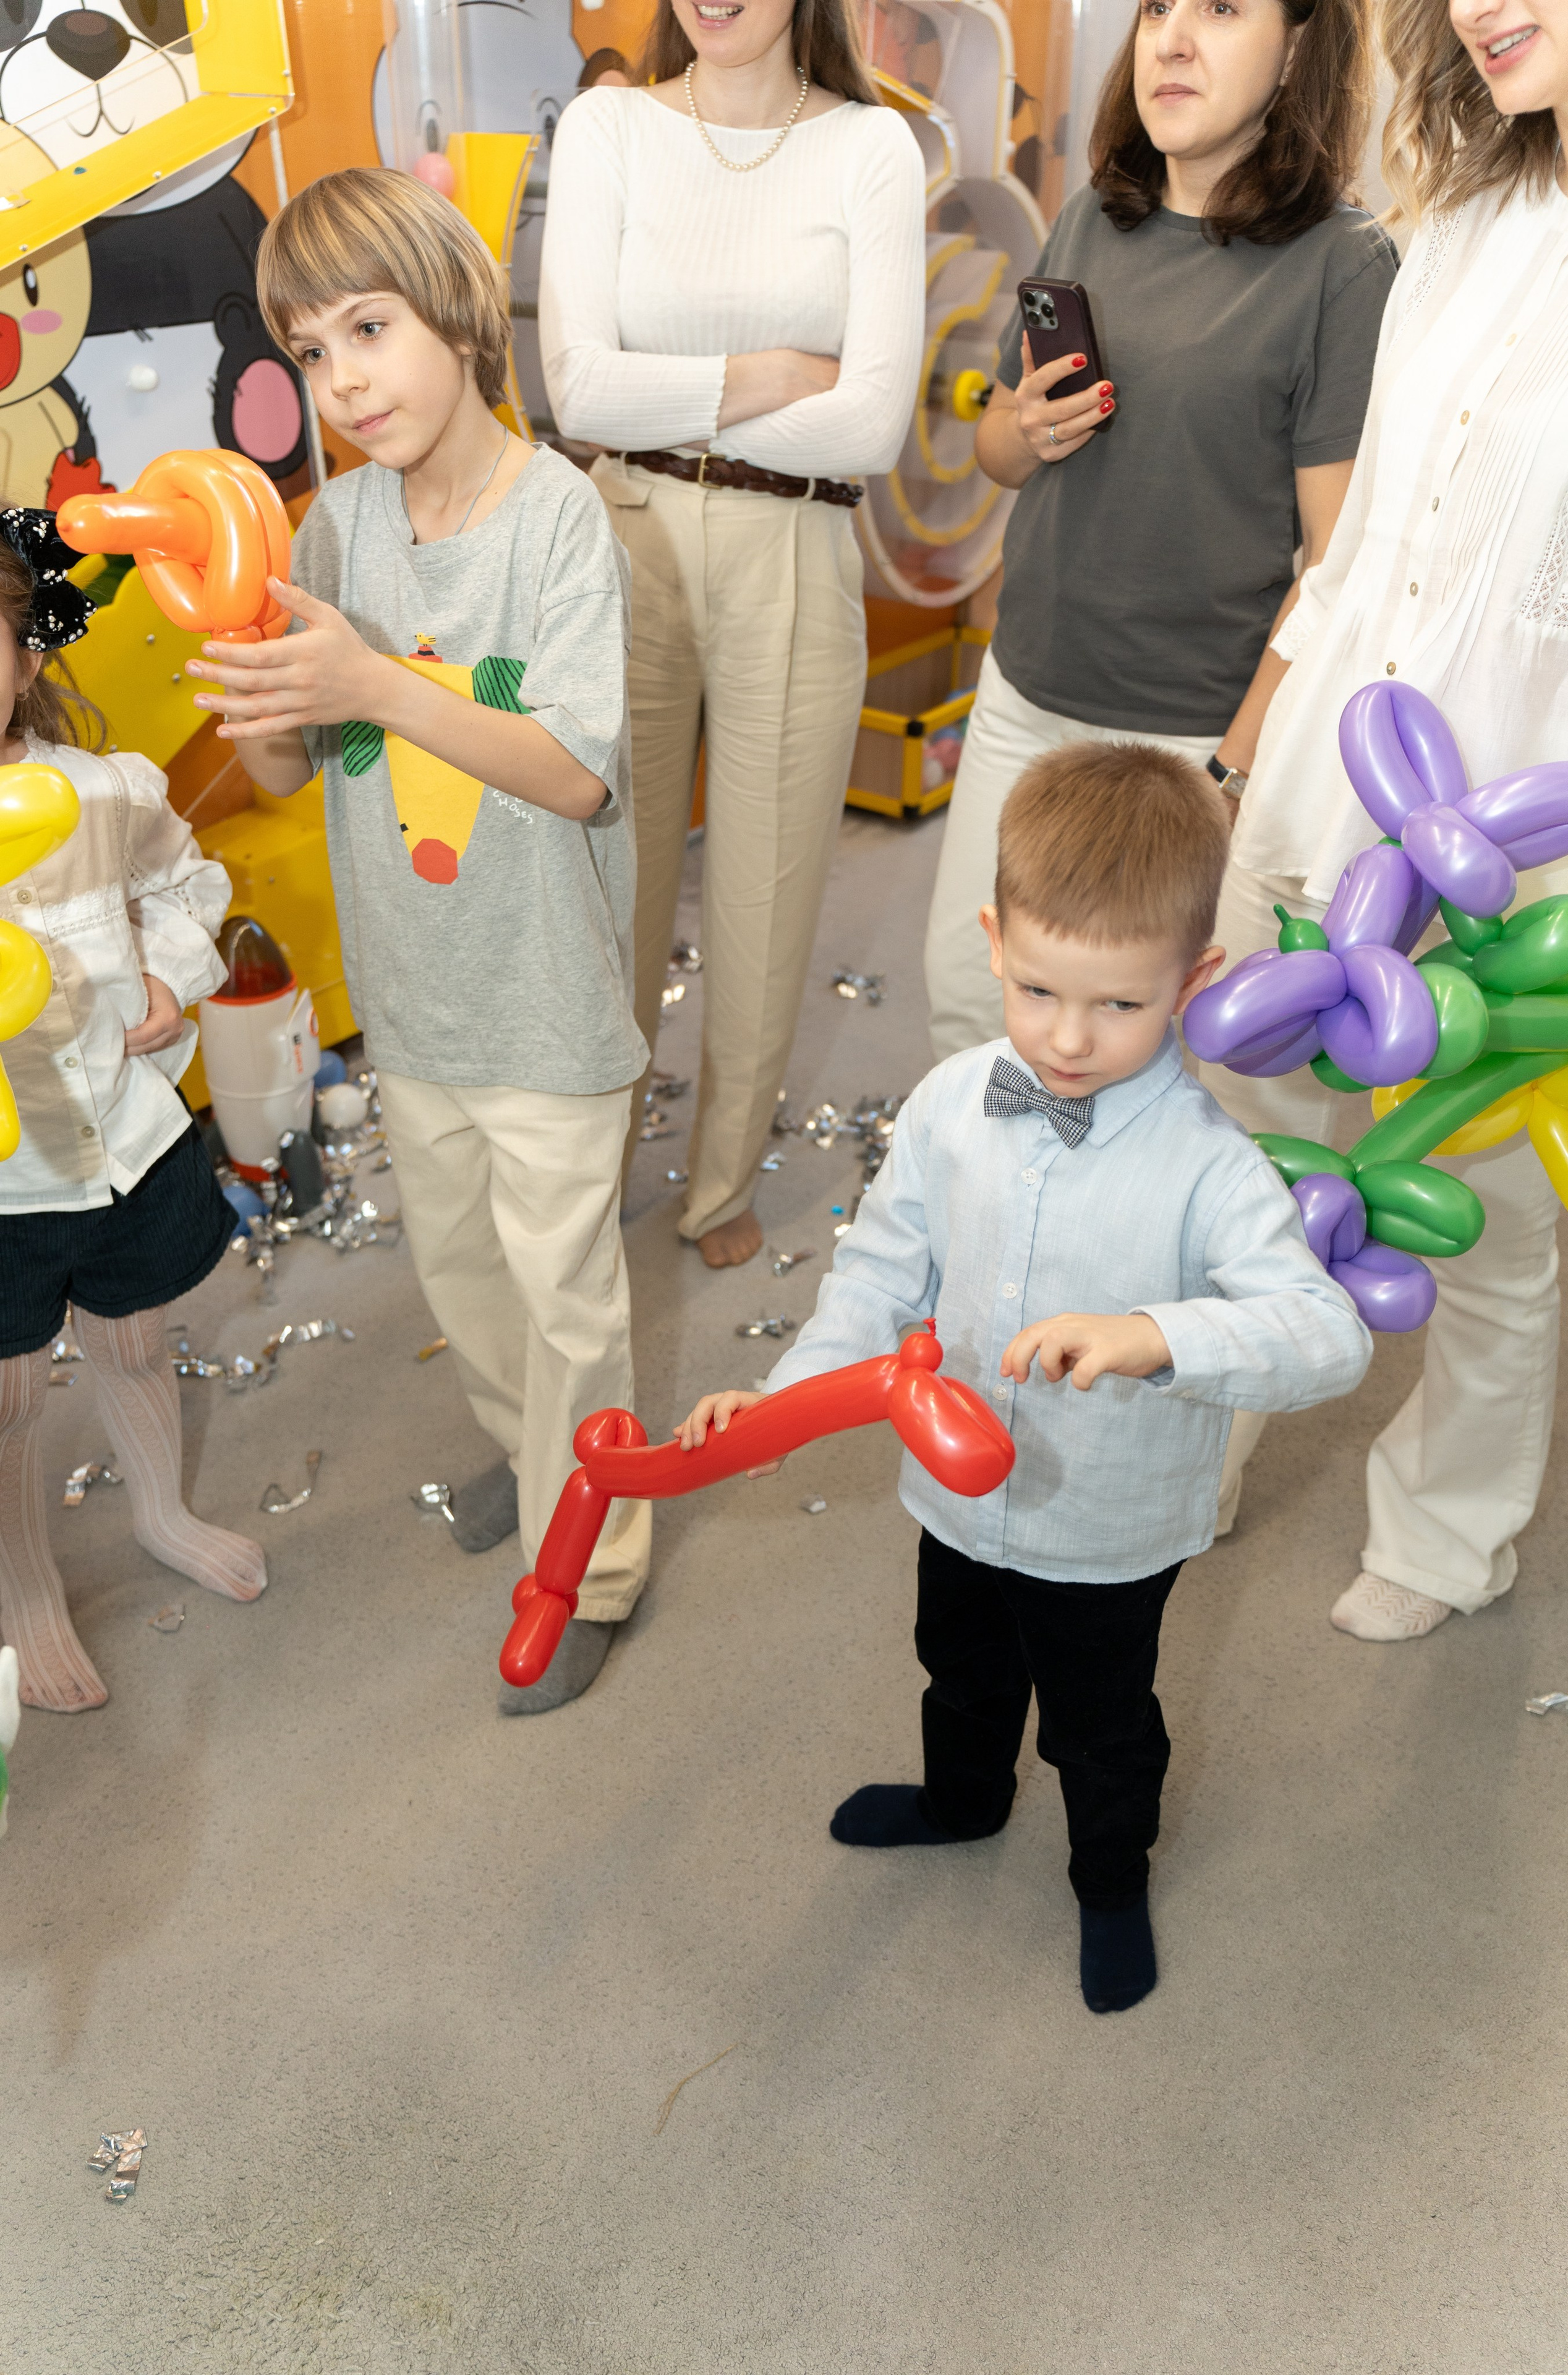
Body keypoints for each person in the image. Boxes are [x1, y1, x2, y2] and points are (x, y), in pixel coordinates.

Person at [675, 745, 1372, 2011]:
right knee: (959, 1667)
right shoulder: (952, 1103)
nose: (1066, 1037)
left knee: (1100, 1728)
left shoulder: (1211, 1167)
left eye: (1119, 1005)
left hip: (1107, 1532)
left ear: (1193, 980)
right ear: (993, 943)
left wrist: (1155, 1335)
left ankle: (1108, 1880)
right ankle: (962, 1803)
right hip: (954, 1506)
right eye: (1039, 989)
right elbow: (879, 1277)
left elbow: (1329, 1337)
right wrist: (782, 1403)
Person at [212, 167, 649, 1713]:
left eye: (368, 329)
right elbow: (294, 770)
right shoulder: (335, 524)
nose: (342, 381)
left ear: (457, 315)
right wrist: (263, 699)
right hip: (415, 998)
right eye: (309, 351)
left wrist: (374, 682)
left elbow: (575, 770)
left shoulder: (558, 516)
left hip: (546, 997)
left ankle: (592, 1560)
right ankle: (534, 1454)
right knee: (464, 1275)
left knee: (567, 1297)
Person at [1196, 0, 1568, 1640]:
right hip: (1328, 773)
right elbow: (1354, 554)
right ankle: (1194, 1443)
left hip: (1520, 845)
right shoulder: (1462, 224)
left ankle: (1444, 1533)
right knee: (1238, 1138)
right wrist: (1245, 756)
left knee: (1477, 1212)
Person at [923, 0, 1397, 1061]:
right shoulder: (1095, 216)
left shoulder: (1343, 265)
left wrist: (1229, 772)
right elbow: (996, 450)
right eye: (1154, 8)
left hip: (1185, 741)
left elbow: (1338, 568)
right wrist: (1025, 427)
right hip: (1022, 696)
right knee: (971, 1012)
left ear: (1298, 50)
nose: (1171, 40)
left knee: (1153, 1059)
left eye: (1220, 9)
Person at [538, 0, 924, 1268]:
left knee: (767, 897)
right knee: (610, 890)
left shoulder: (870, 147)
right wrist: (774, 374)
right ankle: (587, 1173)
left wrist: (666, 400)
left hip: (797, 546)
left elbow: (870, 425)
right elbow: (577, 391)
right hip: (622, 538)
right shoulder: (608, 130)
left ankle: (718, 1185)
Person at [0, 512, 263, 1713]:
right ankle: (26, 1595)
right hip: (8, 1184)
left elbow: (185, 882)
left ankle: (162, 1512)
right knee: (9, 1397)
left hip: (127, 1141)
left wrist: (170, 972)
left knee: (135, 1339)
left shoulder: (107, 791)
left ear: (27, 659)